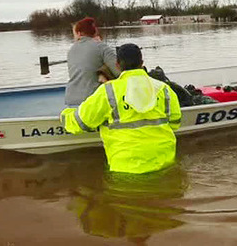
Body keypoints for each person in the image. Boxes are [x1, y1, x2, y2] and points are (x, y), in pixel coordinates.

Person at [61, 43, 182, 174]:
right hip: (165, 163)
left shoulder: (108, 91)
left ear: (117, 65)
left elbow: (81, 122)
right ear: (142, 63)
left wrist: (65, 115)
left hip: (125, 168)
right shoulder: (163, 89)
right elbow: (175, 123)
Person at [65, 17, 120, 107]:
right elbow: (119, 72)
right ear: (95, 32)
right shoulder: (101, 47)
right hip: (93, 101)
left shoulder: (71, 50)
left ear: (79, 33)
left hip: (71, 100)